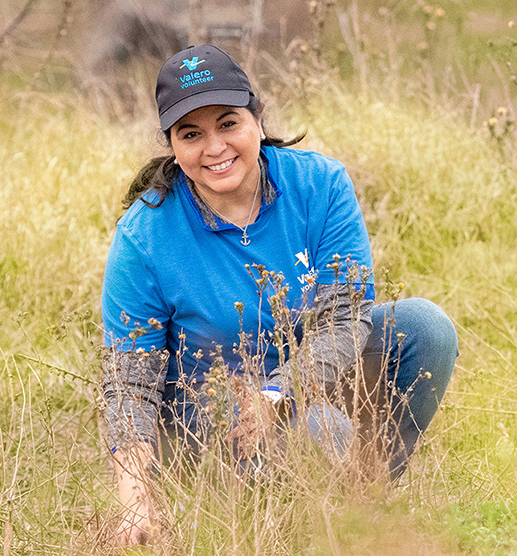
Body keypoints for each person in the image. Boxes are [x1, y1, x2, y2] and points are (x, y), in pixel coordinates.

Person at [99, 45, 457, 546]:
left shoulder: (320, 184)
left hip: (300, 379)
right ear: (173, 146)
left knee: (424, 330)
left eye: (228, 124)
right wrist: (136, 506)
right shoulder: (144, 236)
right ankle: (291, 511)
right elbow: (129, 385)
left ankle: (365, 504)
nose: (215, 147)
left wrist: (279, 392)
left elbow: (343, 318)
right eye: (191, 134)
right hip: (212, 413)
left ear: (258, 119)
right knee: (322, 427)